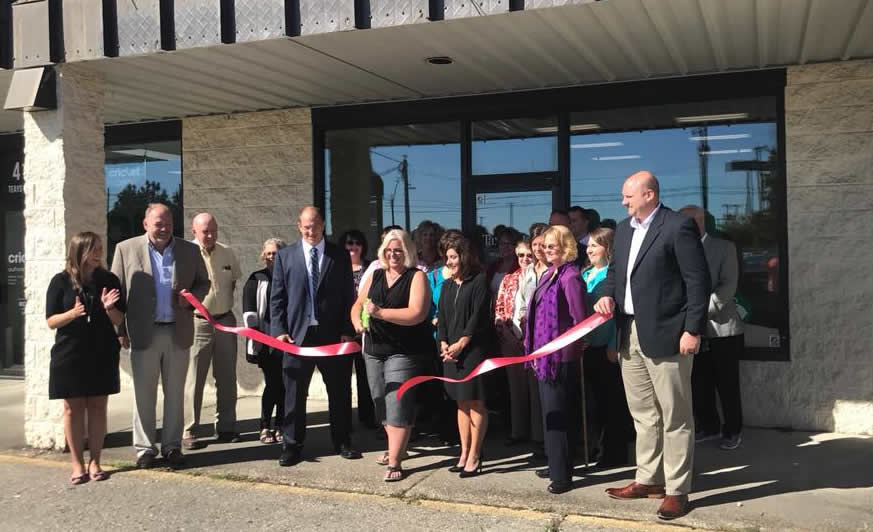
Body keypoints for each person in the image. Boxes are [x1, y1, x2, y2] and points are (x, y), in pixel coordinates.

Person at [594, 171, 710, 520]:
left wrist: (693, 329)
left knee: (676, 416)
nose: (623, 202)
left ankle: (677, 490)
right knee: (643, 414)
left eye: (628, 196)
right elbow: (615, 275)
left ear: (649, 194)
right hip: (629, 332)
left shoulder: (677, 226)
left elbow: (697, 281)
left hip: (669, 334)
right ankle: (648, 479)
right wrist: (604, 297)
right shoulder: (625, 228)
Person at [111, 203, 211, 469]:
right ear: (145, 224)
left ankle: (171, 446)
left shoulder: (189, 250)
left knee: (176, 394)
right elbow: (116, 291)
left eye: (168, 223)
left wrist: (192, 301)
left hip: (177, 331)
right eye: (158, 223)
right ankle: (145, 449)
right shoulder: (125, 249)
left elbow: (204, 282)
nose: (164, 228)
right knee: (144, 395)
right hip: (144, 332)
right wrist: (120, 330)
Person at [270, 206, 360, 466]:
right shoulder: (285, 256)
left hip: (332, 336)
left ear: (323, 225)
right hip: (297, 337)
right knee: (294, 395)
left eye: (316, 225)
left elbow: (348, 297)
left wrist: (347, 330)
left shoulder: (339, 255)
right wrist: (280, 331)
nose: (311, 231)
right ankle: (292, 445)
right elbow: (277, 299)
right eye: (306, 226)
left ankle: (342, 441)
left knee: (340, 391)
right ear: (299, 226)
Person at [351, 229, 432, 481]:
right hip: (374, 350)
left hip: (403, 351)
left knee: (397, 403)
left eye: (398, 250)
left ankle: (395, 461)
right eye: (389, 250)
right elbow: (358, 305)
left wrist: (380, 313)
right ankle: (397, 447)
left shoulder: (416, 276)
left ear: (407, 251)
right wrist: (357, 322)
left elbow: (417, 313)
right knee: (380, 401)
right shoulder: (375, 274)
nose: (393, 254)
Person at [46, 232, 126, 484]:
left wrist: (109, 308)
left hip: (102, 350)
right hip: (70, 353)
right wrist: (72, 313)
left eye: (101, 248)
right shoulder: (60, 282)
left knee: (98, 407)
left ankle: (96, 461)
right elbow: (51, 321)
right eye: (94, 249)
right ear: (79, 251)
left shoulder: (109, 279)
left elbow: (120, 321)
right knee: (72, 409)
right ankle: (77, 463)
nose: (99, 253)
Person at [525, 225, 587, 495]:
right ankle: (555, 463)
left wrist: (568, 348)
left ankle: (562, 475)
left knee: (558, 416)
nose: (546, 249)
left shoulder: (570, 276)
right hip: (543, 355)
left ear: (566, 246)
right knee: (549, 414)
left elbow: (580, 319)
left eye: (552, 245)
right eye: (545, 245)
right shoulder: (549, 274)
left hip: (560, 357)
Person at [680, 206, 744, 451]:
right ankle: (709, 426)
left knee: (726, 384)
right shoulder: (678, 248)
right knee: (699, 382)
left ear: (699, 222)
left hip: (721, 328)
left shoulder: (723, 247)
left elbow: (729, 284)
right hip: (690, 330)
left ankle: (733, 430)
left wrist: (700, 311)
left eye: (684, 221)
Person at [184, 213, 242, 449]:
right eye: (205, 231)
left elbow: (233, 282)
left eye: (213, 231)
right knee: (194, 380)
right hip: (198, 323)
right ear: (193, 231)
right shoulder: (185, 254)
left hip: (226, 320)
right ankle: (188, 430)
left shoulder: (227, 252)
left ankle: (227, 427)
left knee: (227, 378)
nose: (210, 235)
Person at [438, 233, 490, 478]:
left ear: (464, 256)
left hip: (472, 351)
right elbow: (443, 319)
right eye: (447, 257)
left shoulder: (479, 280)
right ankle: (463, 452)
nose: (449, 262)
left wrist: (462, 343)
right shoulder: (447, 285)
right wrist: (444, 343)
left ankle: (475, 455)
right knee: (461, 403)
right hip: (451, 352)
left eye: (453, 257)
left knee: (476, 402)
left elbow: (478, 316)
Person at [581, 228, 633, 468]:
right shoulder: (585, 274)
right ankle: (593, 446)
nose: (590, 249)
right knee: (593, 404)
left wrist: (614, 344)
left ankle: (614, 453)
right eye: (589, 245)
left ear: (608, 248)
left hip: (608, 347)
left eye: (595, 245)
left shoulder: (614, 277)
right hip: (588, 346)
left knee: (612, 404)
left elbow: (619, 313)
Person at [496, 239, 543, 449]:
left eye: (528, 255)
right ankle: (518, 431)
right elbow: (499, 306)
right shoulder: (508, 278)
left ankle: (537, 434)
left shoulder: (540, 277)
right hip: (510, 338)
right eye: (521, 255)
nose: (524, 259)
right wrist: (504, 331)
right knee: (516, 388)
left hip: (534, 341)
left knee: (534, 389)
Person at [243, 238, 287, 444]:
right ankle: (265, 425)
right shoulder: (256, 278)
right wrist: (255, 339)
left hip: (287, 340)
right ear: (263, 256)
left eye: (276, 253)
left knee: (285, 385)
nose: (272, 257)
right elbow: (249, 312)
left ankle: (281, 425)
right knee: (272, 384)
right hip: (265, 341)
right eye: (268, 254)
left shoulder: (290, 277)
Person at [340, 229, 377, 430]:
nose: (353, 247)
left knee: (366, 375)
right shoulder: (338, 269)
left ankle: (368, 416)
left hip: (366, 329)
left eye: (356, 243)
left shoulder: (371, 268)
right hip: (344, 331)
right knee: (343, 377)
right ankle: (345, 418)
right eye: (348, 243)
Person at [487, 227, 520, 300]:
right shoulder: (493, 267)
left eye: (509, 243)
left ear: (516, 246)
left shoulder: (520, 267)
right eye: (502, 243)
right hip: (493, 310)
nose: (505, 247)